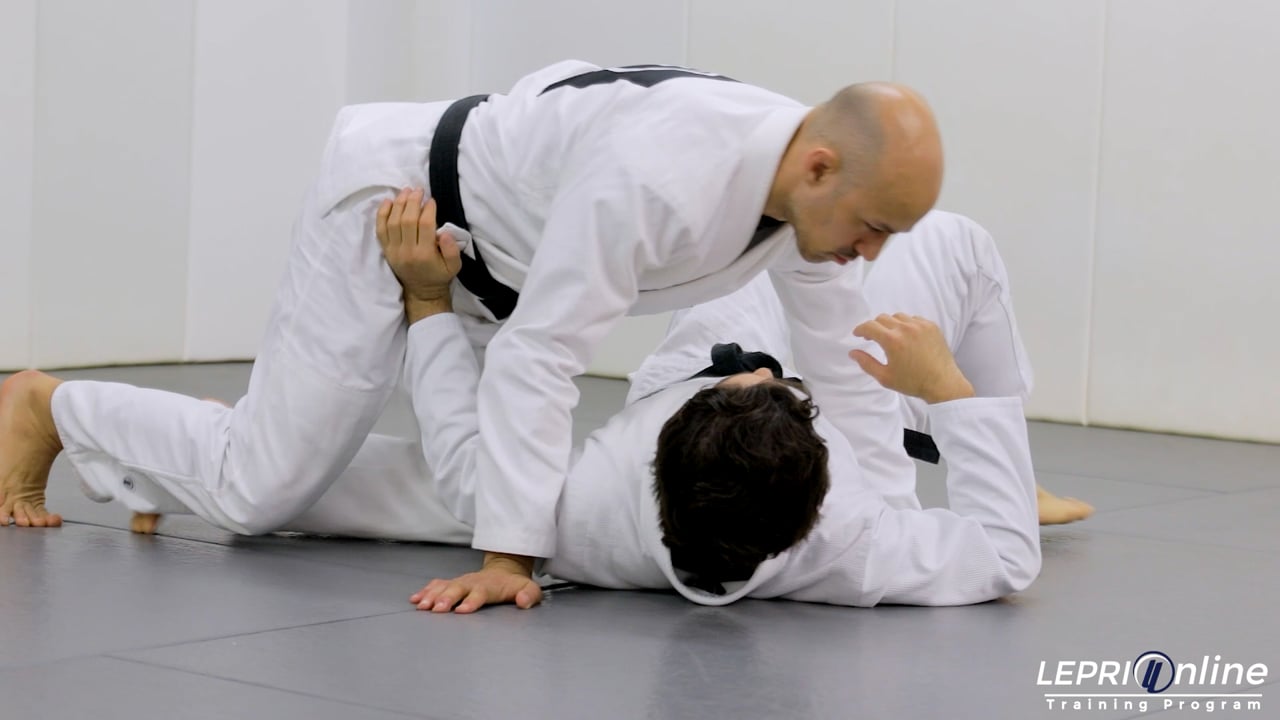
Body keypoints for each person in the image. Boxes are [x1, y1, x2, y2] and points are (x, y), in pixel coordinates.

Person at [0, 60, 943, 606]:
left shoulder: (802, 197)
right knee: (256, 492)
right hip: (400, 210)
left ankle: (200, 448)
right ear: (820, 167)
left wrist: (891, 517)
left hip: (498, 260)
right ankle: (47, 406)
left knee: (437, 486)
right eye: (875, 227)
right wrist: (508, 563)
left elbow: (843, 367)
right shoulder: (663, 175)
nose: (873, 252)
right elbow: (543, 356)